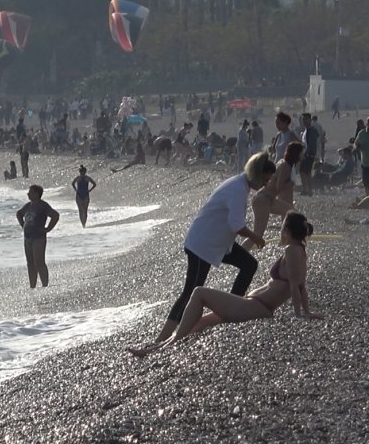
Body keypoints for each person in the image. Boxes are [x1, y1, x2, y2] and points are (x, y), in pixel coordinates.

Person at [127, 212, 323, 357]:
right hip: (253, 304)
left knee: (199, 292)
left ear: (287, 231)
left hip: (256, 307)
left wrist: (301, 314)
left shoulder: (292, 250)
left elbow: (297, 286)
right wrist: (305, 311)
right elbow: (299, 285)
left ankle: (162, 347)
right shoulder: (297, 251)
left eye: (282, 227)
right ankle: (157, 349)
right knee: (198, 322)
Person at [149, 153, 276, 345]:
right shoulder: (238, 189)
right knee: (191, 290)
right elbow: (237, 226)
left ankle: (233, 307)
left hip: (218, 243)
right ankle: (161, 339)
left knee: (249, 265)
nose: (265, 184)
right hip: (202, 244)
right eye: (265, 179)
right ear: (256, 174)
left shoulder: (240, 184)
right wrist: (256, 237)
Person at [245, 141, 302, 250]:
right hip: (263, 199)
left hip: (268, 199)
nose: (302, 155)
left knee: (290, 211)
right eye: (301, 153)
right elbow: (278, 187)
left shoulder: (285, 164)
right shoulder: (285, 166)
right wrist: (292, 182)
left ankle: (284, 241)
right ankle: (239, 254)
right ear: (296, 154)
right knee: (257, 234)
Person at [16, 185, 60, 288]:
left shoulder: (43, 206)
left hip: (38, 237)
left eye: (30, 192)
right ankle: (32, 286)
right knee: (30, 263)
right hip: (27, 237)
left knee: (39, 262)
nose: (28, 194)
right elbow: (19, 213)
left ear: (36, 193)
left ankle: (45, 285)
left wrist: (48, 228)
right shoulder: (28, 206)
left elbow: (55, 215)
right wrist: (23, 225)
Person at [299, 113, 318, 196]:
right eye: (303, 119)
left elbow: (311, 144)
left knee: (306, 172)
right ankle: (306, 189)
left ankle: (308, 190)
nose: (305, 121)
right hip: (306, 153)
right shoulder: (305, 131)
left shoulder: (311, 130)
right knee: (303, 171)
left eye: (306, 119)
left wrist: (306, 153)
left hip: (309, 154)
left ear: (310, 120)